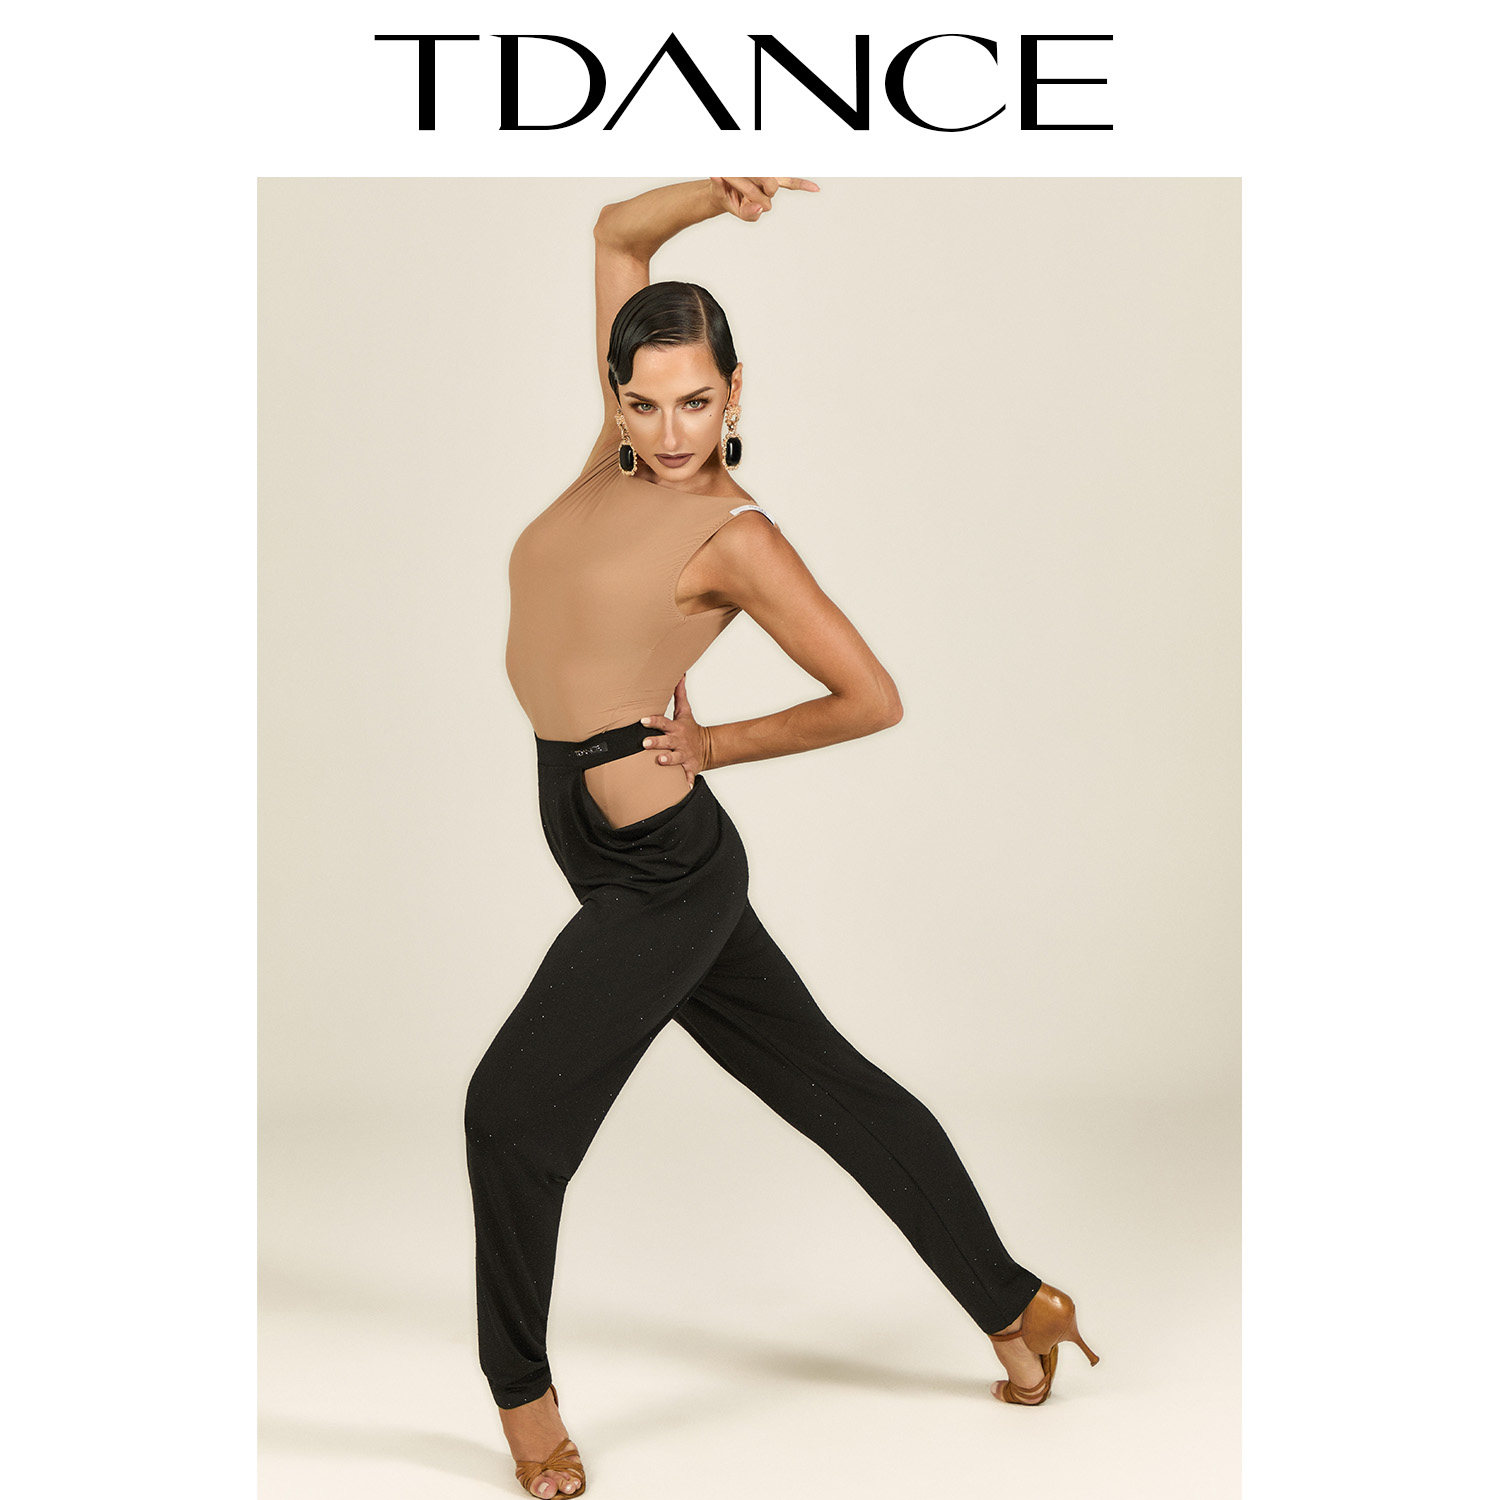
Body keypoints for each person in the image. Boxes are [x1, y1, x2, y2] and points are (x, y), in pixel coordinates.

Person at [464, 177, 1100, 1500]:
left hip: (665, 875)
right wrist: (717, 191)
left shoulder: (735, 534)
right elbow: (619, 235)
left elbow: (872, 696)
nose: (669, 430)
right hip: (604, 849)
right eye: (645, 402)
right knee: (832, 1088)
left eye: (697, 403)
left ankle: (524, 1404)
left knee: (508, 1113)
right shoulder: (610, 458)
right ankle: (1017, 1307)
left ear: (735, 393)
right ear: (616, 394)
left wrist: (714, 747)